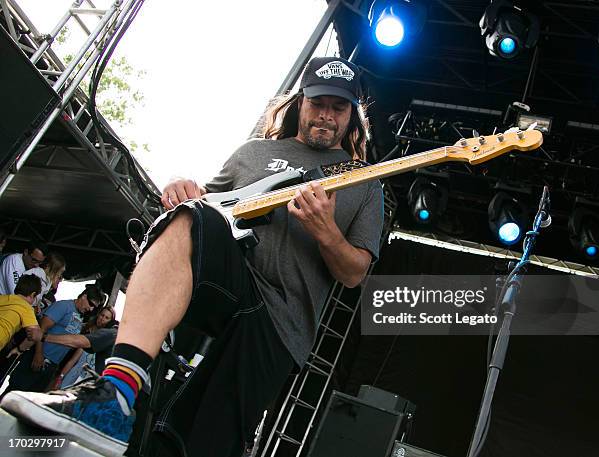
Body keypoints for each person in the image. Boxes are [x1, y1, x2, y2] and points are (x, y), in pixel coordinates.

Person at [1, 56, 384, 457]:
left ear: (352, 115)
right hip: (220, 285)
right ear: (300, 103)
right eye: (318, 102)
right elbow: (203, 209)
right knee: (187, 219)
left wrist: (327, 233)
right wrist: (180, 189)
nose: (326, 115)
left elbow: (354, 273)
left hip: (278, 324)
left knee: (197, 445)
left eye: (338, 107)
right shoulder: (252, 153)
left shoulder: (363, 182)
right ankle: (114, 390)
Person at [2, 285, 103, 395]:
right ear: (84, 296)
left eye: (94, 307)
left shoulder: (80, 316)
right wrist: (38, 354)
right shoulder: (64, 306)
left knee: (31, 400)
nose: (91, 308)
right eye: (91, 304)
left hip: (51, 366)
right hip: (39, 357)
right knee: (14, 393)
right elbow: (40, 329)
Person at [50, 305, 117, 388]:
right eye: (102, 315)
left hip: (89, 382)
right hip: (71, 374)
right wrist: (60, 378)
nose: (102, 319)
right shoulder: (87, 332)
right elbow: (73, 360)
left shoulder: (107, 341)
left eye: (107, 318)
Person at [0, 274, 43, 352]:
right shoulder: (26, 307)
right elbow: (35, 335)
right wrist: (20, 349)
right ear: (33, 294)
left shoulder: (3, 297)